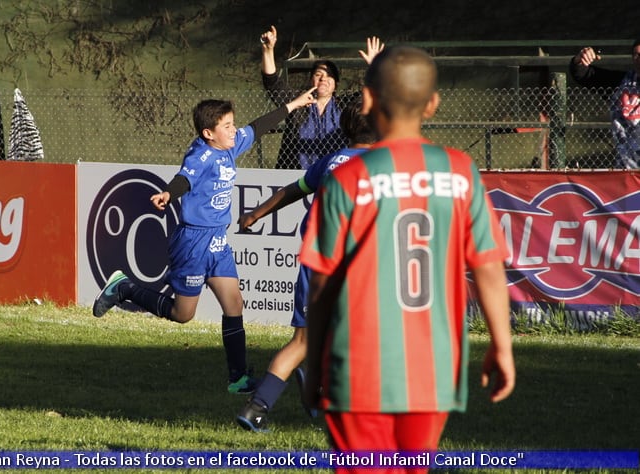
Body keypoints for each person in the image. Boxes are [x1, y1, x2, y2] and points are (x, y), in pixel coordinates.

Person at [300, 45, 516, 472]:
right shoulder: (461, 172)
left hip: (359, 366)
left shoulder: (346, 179)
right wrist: (502, 346)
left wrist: (313, 364)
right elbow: (489, 267)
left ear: (365, 99)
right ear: (433, 104)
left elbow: (322, 285)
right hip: (432, 368)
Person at [93, 89, 317, 395]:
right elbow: (184, 179)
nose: (234, 129)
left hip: (217, 240)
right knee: (183, 315)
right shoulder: (201, 154)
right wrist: (169, 194)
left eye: (232, 123)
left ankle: (238, 378)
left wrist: (293, 105)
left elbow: (259, 127)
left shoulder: (228, 146)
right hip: (193, 241)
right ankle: (124, 288)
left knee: (234, 303)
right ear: (208, 133)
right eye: (227, 126)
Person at [235, 98, 376, 432]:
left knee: (302, 342)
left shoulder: (330, 161)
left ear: (344, 129)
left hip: (315, 262)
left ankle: (255, 409)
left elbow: (293, 190)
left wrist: (255, 213)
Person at [260, 27, 383, 170]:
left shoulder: (345, 105)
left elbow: (375, 94)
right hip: (296, 173)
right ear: (311, 80)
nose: (323, 78)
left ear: (336, 84)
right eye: (318, 74)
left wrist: (375, 69)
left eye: (329, 75)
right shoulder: (298, 101)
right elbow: (273, 84)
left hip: (336, 172)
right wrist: (268, 51)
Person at [569, 40, 640, 168]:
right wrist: (580, 60)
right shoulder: (622, 83)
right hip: (628, 169)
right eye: (636, 55)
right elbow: (584, 74)